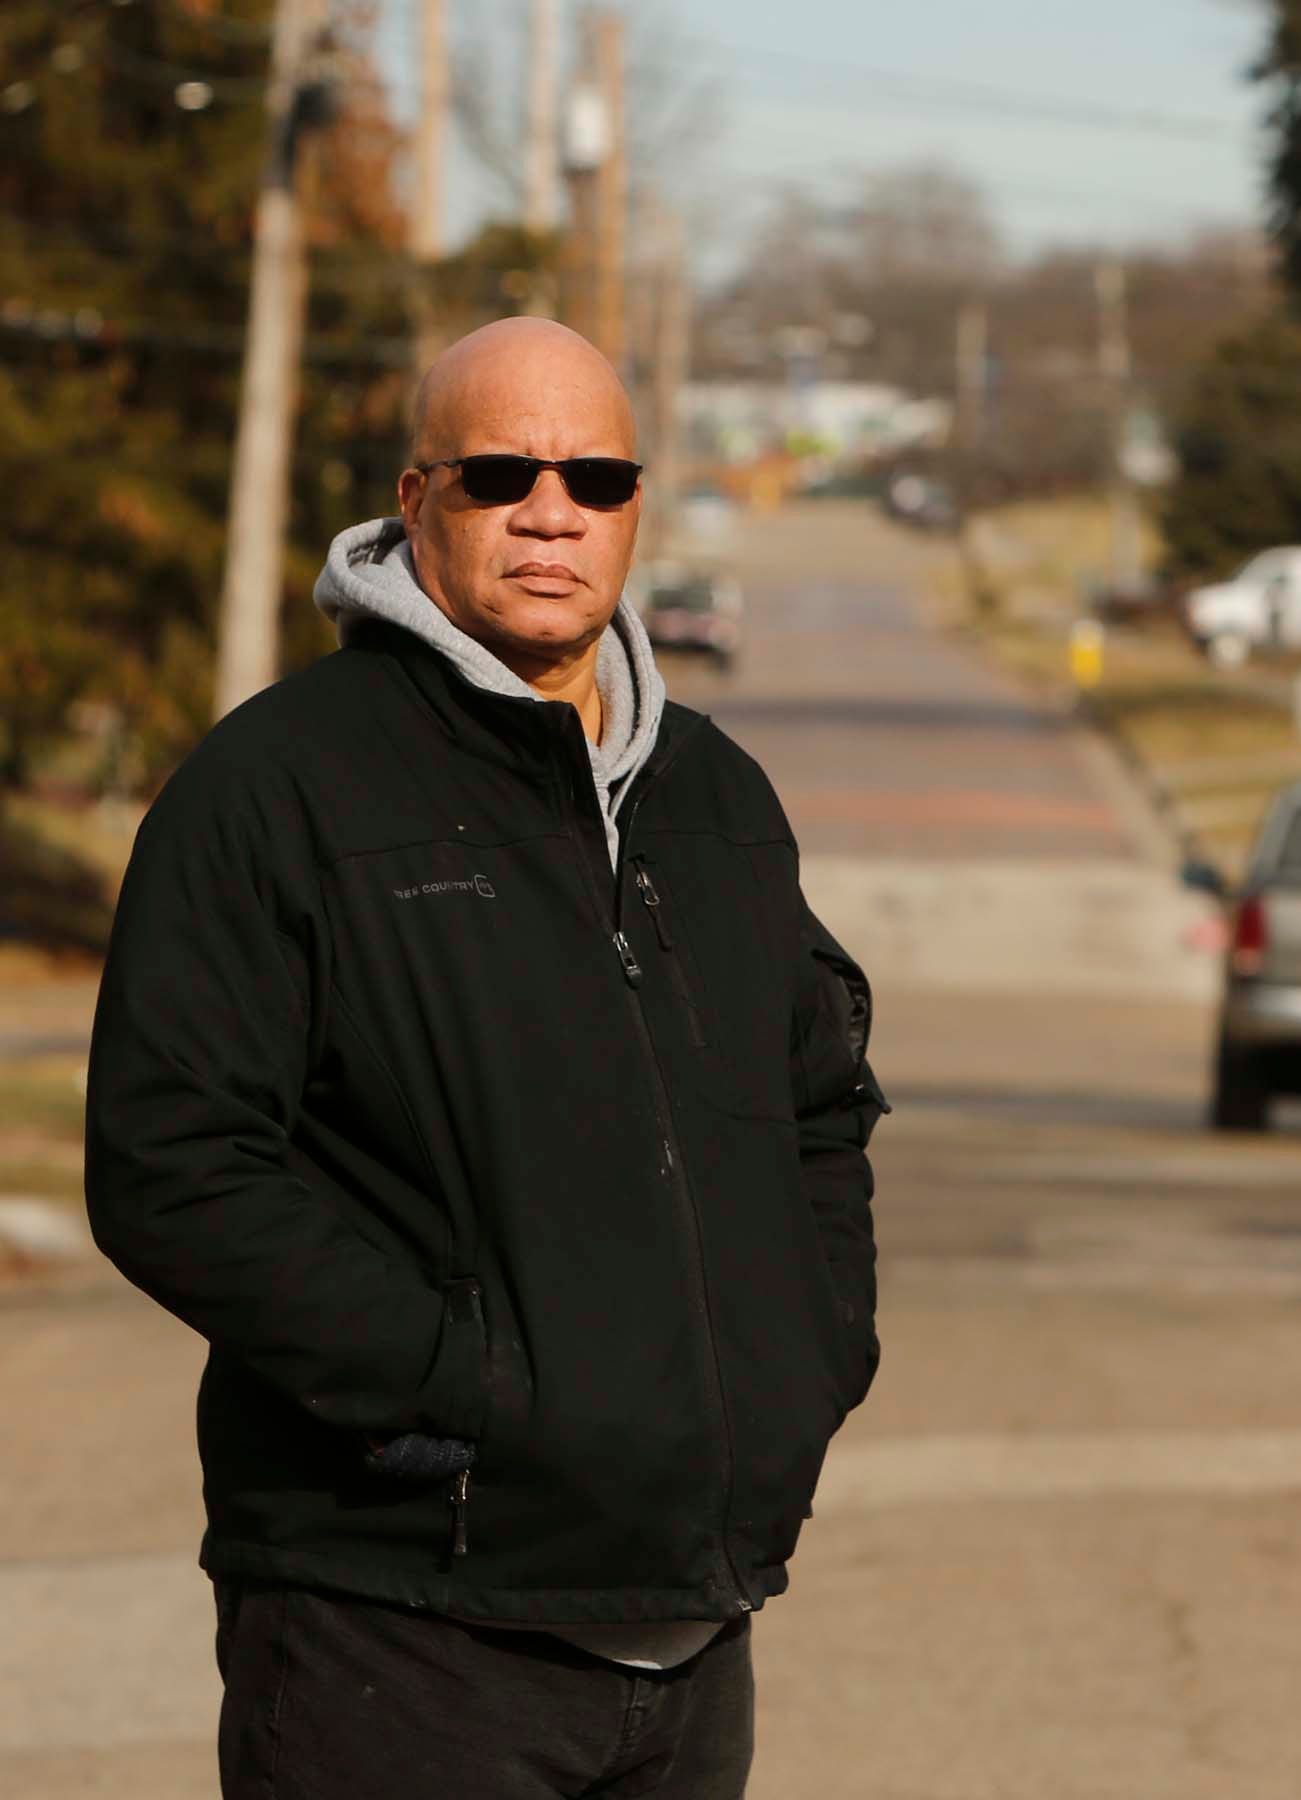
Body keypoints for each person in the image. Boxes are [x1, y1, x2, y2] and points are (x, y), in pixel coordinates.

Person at [85, 317, 886, 1800]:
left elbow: (819, 1107)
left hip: (693, 1637)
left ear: (635, 505)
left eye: (594, 475)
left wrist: (807, 1351)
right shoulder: (279, 787)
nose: (549, 509)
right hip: (396, 1625)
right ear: (414, 499)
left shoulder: (714, 797)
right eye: (500, 471)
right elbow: (172, 1167)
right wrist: (465, 1390)